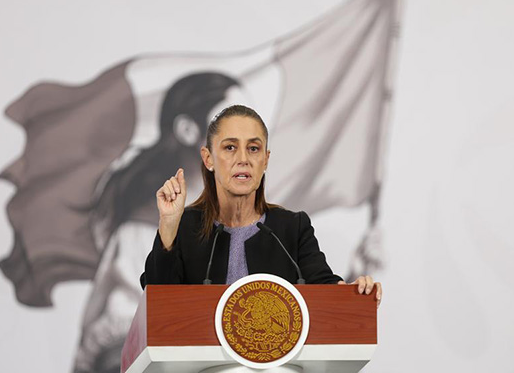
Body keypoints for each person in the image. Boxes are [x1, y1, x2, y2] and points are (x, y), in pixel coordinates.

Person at [141, 104, 382, 307]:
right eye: (230, 147)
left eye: (253, 149)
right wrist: (169, 226)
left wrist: (354, 292)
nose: (243, 159)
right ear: (208, 158)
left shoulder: (292, 228)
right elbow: (156, 303)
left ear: (265, 160)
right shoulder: (183, 226)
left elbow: (324, 287)